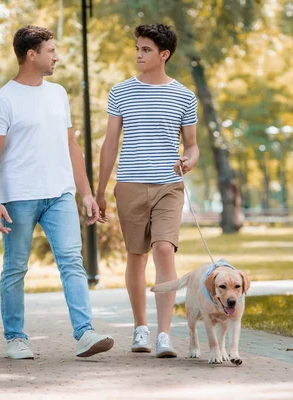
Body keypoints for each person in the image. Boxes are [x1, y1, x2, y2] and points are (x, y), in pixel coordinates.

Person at [0, 25, 114, 360]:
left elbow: (71, 146)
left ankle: (85, 333)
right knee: (15, 267)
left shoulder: (58, 94)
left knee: (72, 262)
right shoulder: (1, 101)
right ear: (31, 55)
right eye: (51, 50)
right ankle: (15, 338)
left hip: (59, 194)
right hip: (18, 197)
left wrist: (84, 193)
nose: (56, 56)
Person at [96, 23, 199, 358]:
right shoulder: (121, 92)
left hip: (169, 185)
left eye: (146, 50)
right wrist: (100, 191)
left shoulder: (184, 95)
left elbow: (193, 146)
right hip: (130, 184)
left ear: (164, 55)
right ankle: (141, 327)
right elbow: (110, 145)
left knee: (165, 250)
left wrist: (188, 160)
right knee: (136, 255)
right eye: (137, 49)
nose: (139, 55)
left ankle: (165, 334)